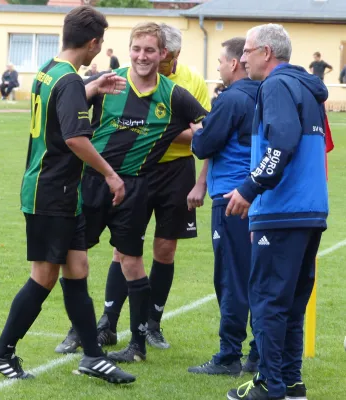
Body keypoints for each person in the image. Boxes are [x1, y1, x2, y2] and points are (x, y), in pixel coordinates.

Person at [0, 6, 135, 384]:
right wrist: (112, 175)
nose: (98, 53)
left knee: (78, 270)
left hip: (64, 194)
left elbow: (61, 106)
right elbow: (74, 138)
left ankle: (93, 357)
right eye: (99, 45)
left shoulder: (51, 72)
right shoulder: (67, 80)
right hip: (49, 193)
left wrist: (92, 87)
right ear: (93, 42)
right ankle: (2, 351)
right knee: (44, 276)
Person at [55, 23, 211, 355]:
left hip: (135, 188)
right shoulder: (108, 82)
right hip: (92, 183)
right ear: (129, 50)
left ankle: (137, 343)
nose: (142, 56)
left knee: (132, 261)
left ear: (163, 54)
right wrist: (91, 88)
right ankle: (80, 330)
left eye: (150, 50)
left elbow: (211, 132)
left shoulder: (174, 94)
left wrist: (204, 175)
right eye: (137, 49)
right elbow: (64, 106)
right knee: (73, 257)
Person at [225, 23, 328, 400]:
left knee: (268, 300)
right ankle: (291, 382)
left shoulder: (275, 85)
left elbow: (281, 142)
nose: (243, 58)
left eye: (248, 51)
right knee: (291, 304)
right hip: (310, 209)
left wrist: (251, 188)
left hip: (284, 209)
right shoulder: (305, 87)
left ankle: (269, 384)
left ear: (266, 53)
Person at [187, 37, 260, 376]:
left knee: (231, 278)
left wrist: (198, 131)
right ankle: (258, 352)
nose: (217, 67)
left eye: (219, 61)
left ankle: (229, 354)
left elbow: (205, 145)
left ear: (233, 64)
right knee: (258, 277)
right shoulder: (264, 93)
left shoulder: (231, 98)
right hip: (258, 195)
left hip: (231, 199)